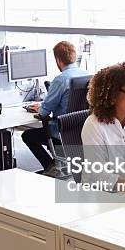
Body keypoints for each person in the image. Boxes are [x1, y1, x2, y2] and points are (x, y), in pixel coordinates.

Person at [21, 41, 89, 173]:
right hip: (79, 130)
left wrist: (38, 108)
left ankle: (50, 165)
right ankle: (56, 165)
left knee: (27, 136)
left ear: (58, 60)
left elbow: (45, 111)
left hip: (60, 131)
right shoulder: (86, 75)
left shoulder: (60, 80)